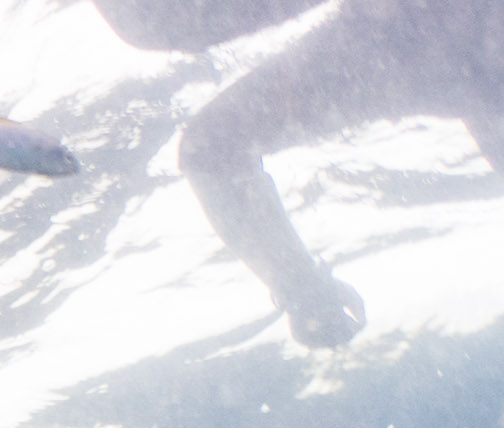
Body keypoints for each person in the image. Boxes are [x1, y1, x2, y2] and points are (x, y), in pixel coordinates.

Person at [96, 0, 504, 348]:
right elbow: (211, 152)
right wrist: (299, 286)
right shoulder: (390, 53)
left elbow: (212, 152)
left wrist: (299, 287)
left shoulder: (392, 54)